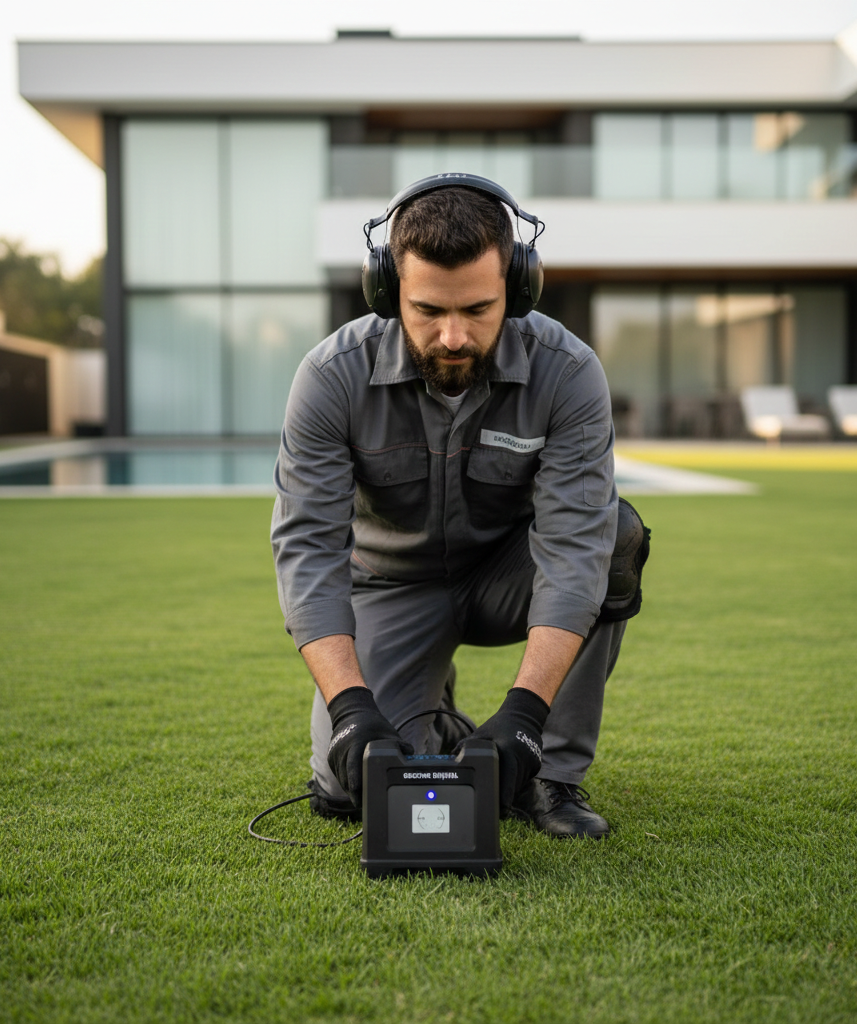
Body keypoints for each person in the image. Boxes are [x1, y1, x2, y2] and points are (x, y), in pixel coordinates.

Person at [271, 174, 649, 839]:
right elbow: (308, 552)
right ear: (388, 292)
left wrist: (527, 714)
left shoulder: (569, 373)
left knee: (616, 537)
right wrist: (355, 708)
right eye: (428, 311)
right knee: (343, 785)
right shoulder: (330, 378)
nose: (452, 337)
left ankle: (551, 775)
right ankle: (437, 722)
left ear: (517, 287)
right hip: (389, 584)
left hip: (510, 575)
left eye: (477, 309)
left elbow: (574, 550)